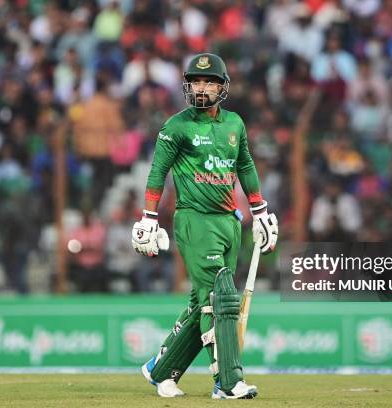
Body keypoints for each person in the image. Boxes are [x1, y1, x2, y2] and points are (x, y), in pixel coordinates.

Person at [131, 53, 278, 399]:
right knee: (221, 295)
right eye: (196, 81)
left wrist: (260, 212)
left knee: (203, 301)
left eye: (209, 81)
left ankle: (161, 369)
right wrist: (149, 218)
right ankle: (228, 382)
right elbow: (157, 173)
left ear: (222, 87)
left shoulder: (235, 124)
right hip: (194, 220)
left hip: (230, 222)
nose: (202, 87)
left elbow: (245, 167)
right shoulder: (176, 126)